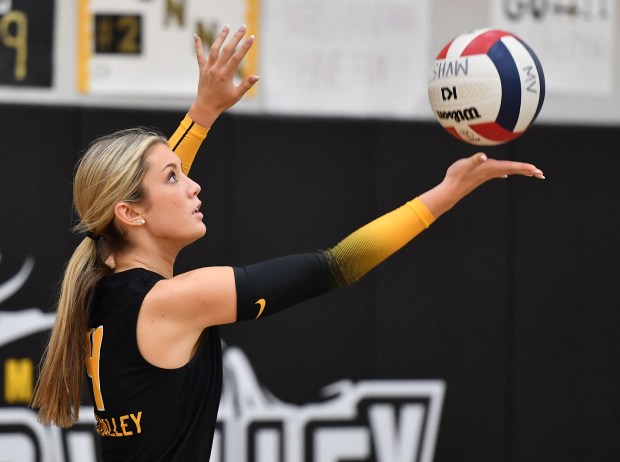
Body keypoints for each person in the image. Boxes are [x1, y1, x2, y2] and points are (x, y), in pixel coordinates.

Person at [31, 25, 545, 462]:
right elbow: (337, 264)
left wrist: (203, 113)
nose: (192, 184)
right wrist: (445, 194)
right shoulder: (175, 300)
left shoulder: (102, 281)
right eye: (174, 178)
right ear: (130, 213)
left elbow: (139, 193)